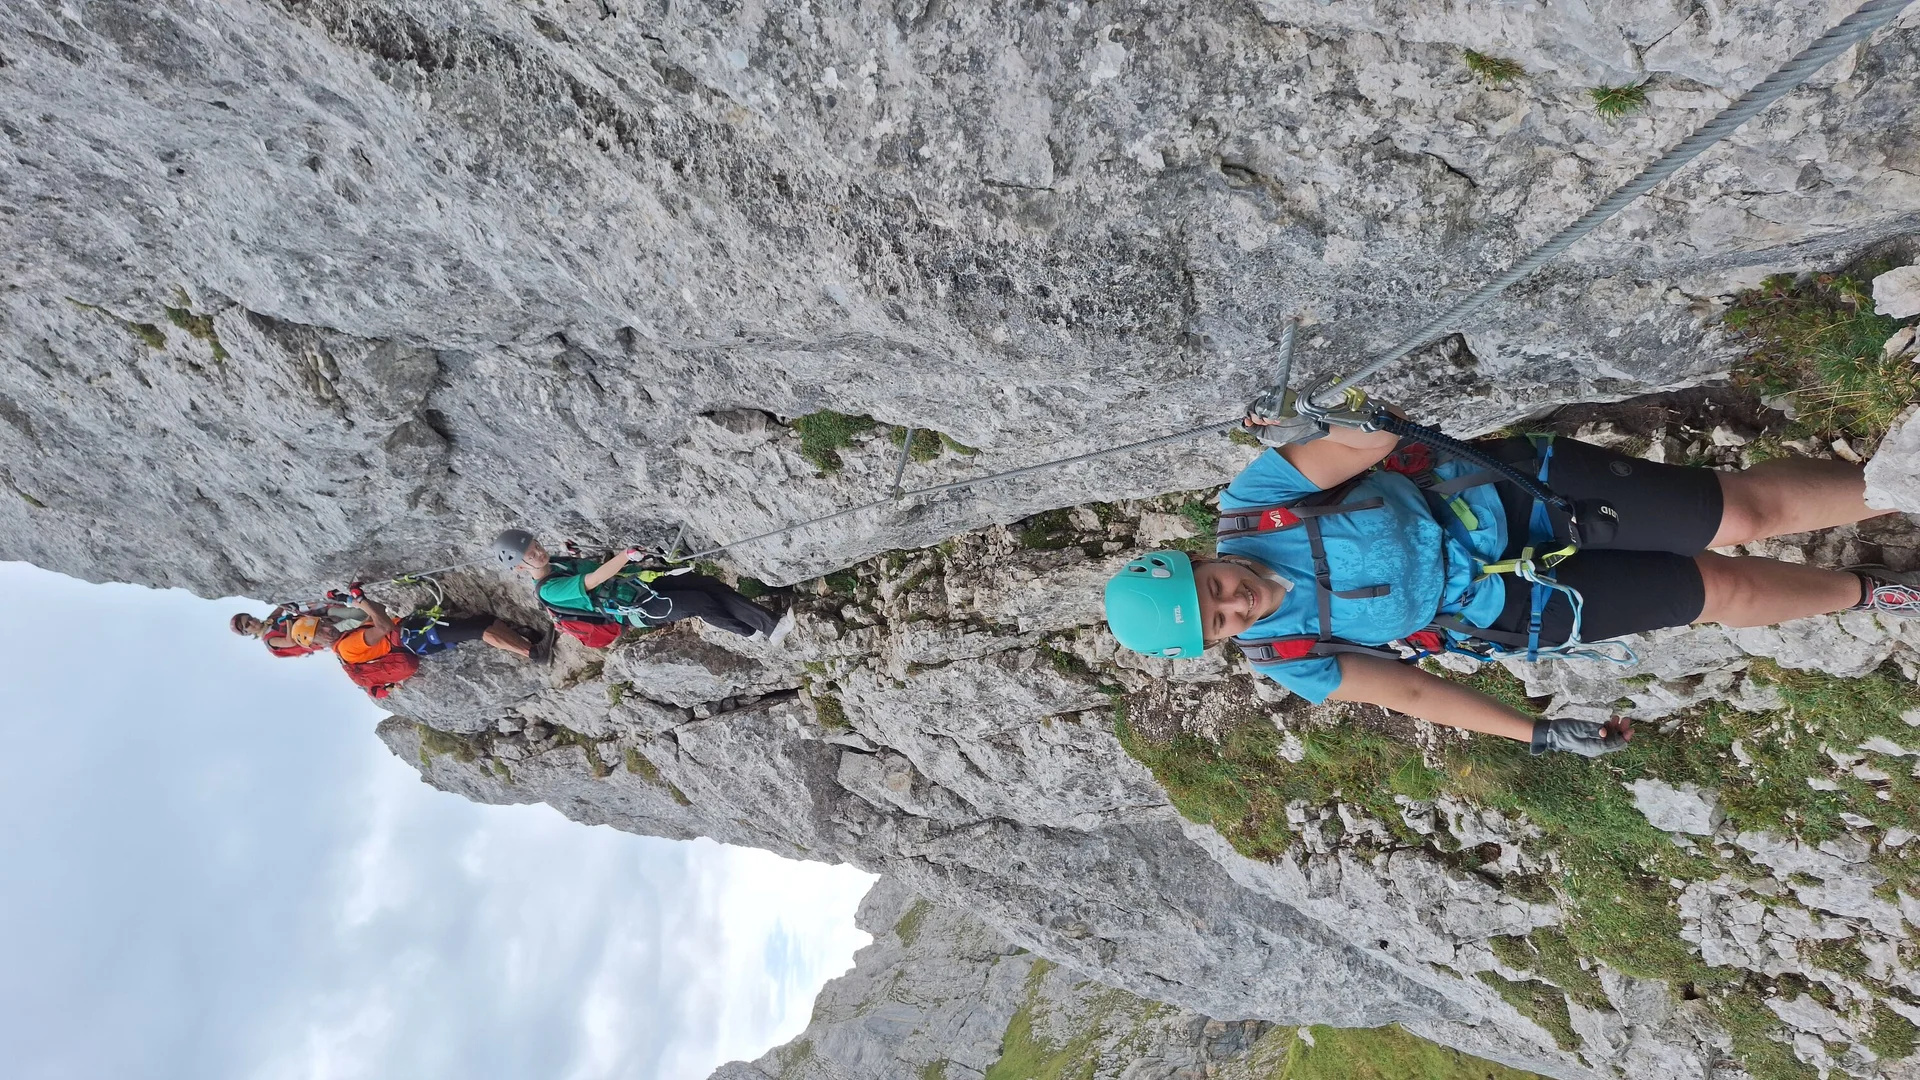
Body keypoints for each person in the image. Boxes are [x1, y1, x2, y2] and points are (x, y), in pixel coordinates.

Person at [1103, 405, 1920, 757]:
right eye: (1218, 624)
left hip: (1510, 498)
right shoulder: (1284, 653)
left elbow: (1367, 449)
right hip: (1512, 607)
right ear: (1218, 645)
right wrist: (1531, 735)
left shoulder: (1256, 505)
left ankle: (1897, 485)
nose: (1234, 604)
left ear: (1196, 557)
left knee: (1734, 519)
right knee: (1716, 594)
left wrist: (1329, 428)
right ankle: (1872, 591)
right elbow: (1412, 696)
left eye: (1212, 589)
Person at [492, 530, 790, 642]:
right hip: (635, 607)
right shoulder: (548, 590)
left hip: (638, 585)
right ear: (520, 567)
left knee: (706, 584)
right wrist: (625, 556)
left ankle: (755, 628)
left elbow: (585, 570)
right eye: (530, 554)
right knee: (700, 602)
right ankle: (766, 627)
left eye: (536, 544)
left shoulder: (554, 563)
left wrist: (574, 554)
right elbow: (593, 581)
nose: (538, 552)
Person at [299, 590, 545, 698]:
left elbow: (378, 613)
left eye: (322, 625)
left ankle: (526, 642)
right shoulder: (346, 648)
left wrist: (352, 600)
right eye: (320, 633)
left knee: (484, 621)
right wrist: (360, 600)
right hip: (414, 637)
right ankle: (532, 652)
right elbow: (384, 627)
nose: (326, 629)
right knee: (477, 629)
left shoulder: (345, 642)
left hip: (414, 635)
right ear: (316, 645)